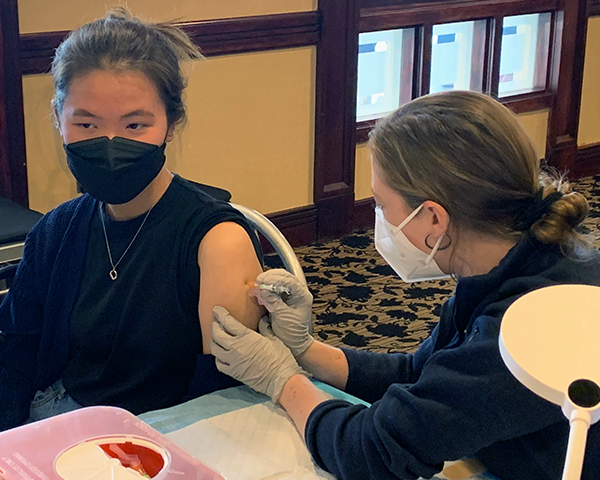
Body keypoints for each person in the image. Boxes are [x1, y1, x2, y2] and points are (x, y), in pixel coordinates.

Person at [210, 91, 600, 480]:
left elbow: (373, 453)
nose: (379, 220)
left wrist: (284, 382)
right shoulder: (518, 260)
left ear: (433, 217)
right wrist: (306, 351)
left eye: (382, 205)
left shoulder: (522, 328)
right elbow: (422, 374)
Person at [0, 8, 265, 432]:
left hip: (163, 437)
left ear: (171, 124)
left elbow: (224, 398)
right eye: (85, 123)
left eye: (135, 124)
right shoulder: (55, 231)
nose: (109, 145)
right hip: (55, 423)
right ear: (58, 118)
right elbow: (16, 354)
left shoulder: (217, 242)